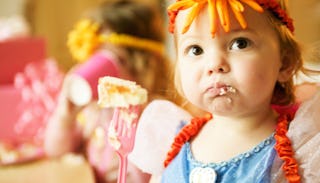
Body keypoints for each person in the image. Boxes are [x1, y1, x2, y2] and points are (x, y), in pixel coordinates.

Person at [129, 0, 320, 182]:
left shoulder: (302, 154)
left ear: (285, 63)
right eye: (195, 49)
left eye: (240, 43)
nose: (214, 64)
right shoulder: (170, 140)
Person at [43, 1, 174, 182]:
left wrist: (136, 121)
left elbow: (152, 175)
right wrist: (64, 115)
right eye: (97, 58)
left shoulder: (156, 113)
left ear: (144, 65)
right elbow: (56, 151)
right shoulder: (92, 112)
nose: (104, 72)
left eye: (119, 60)